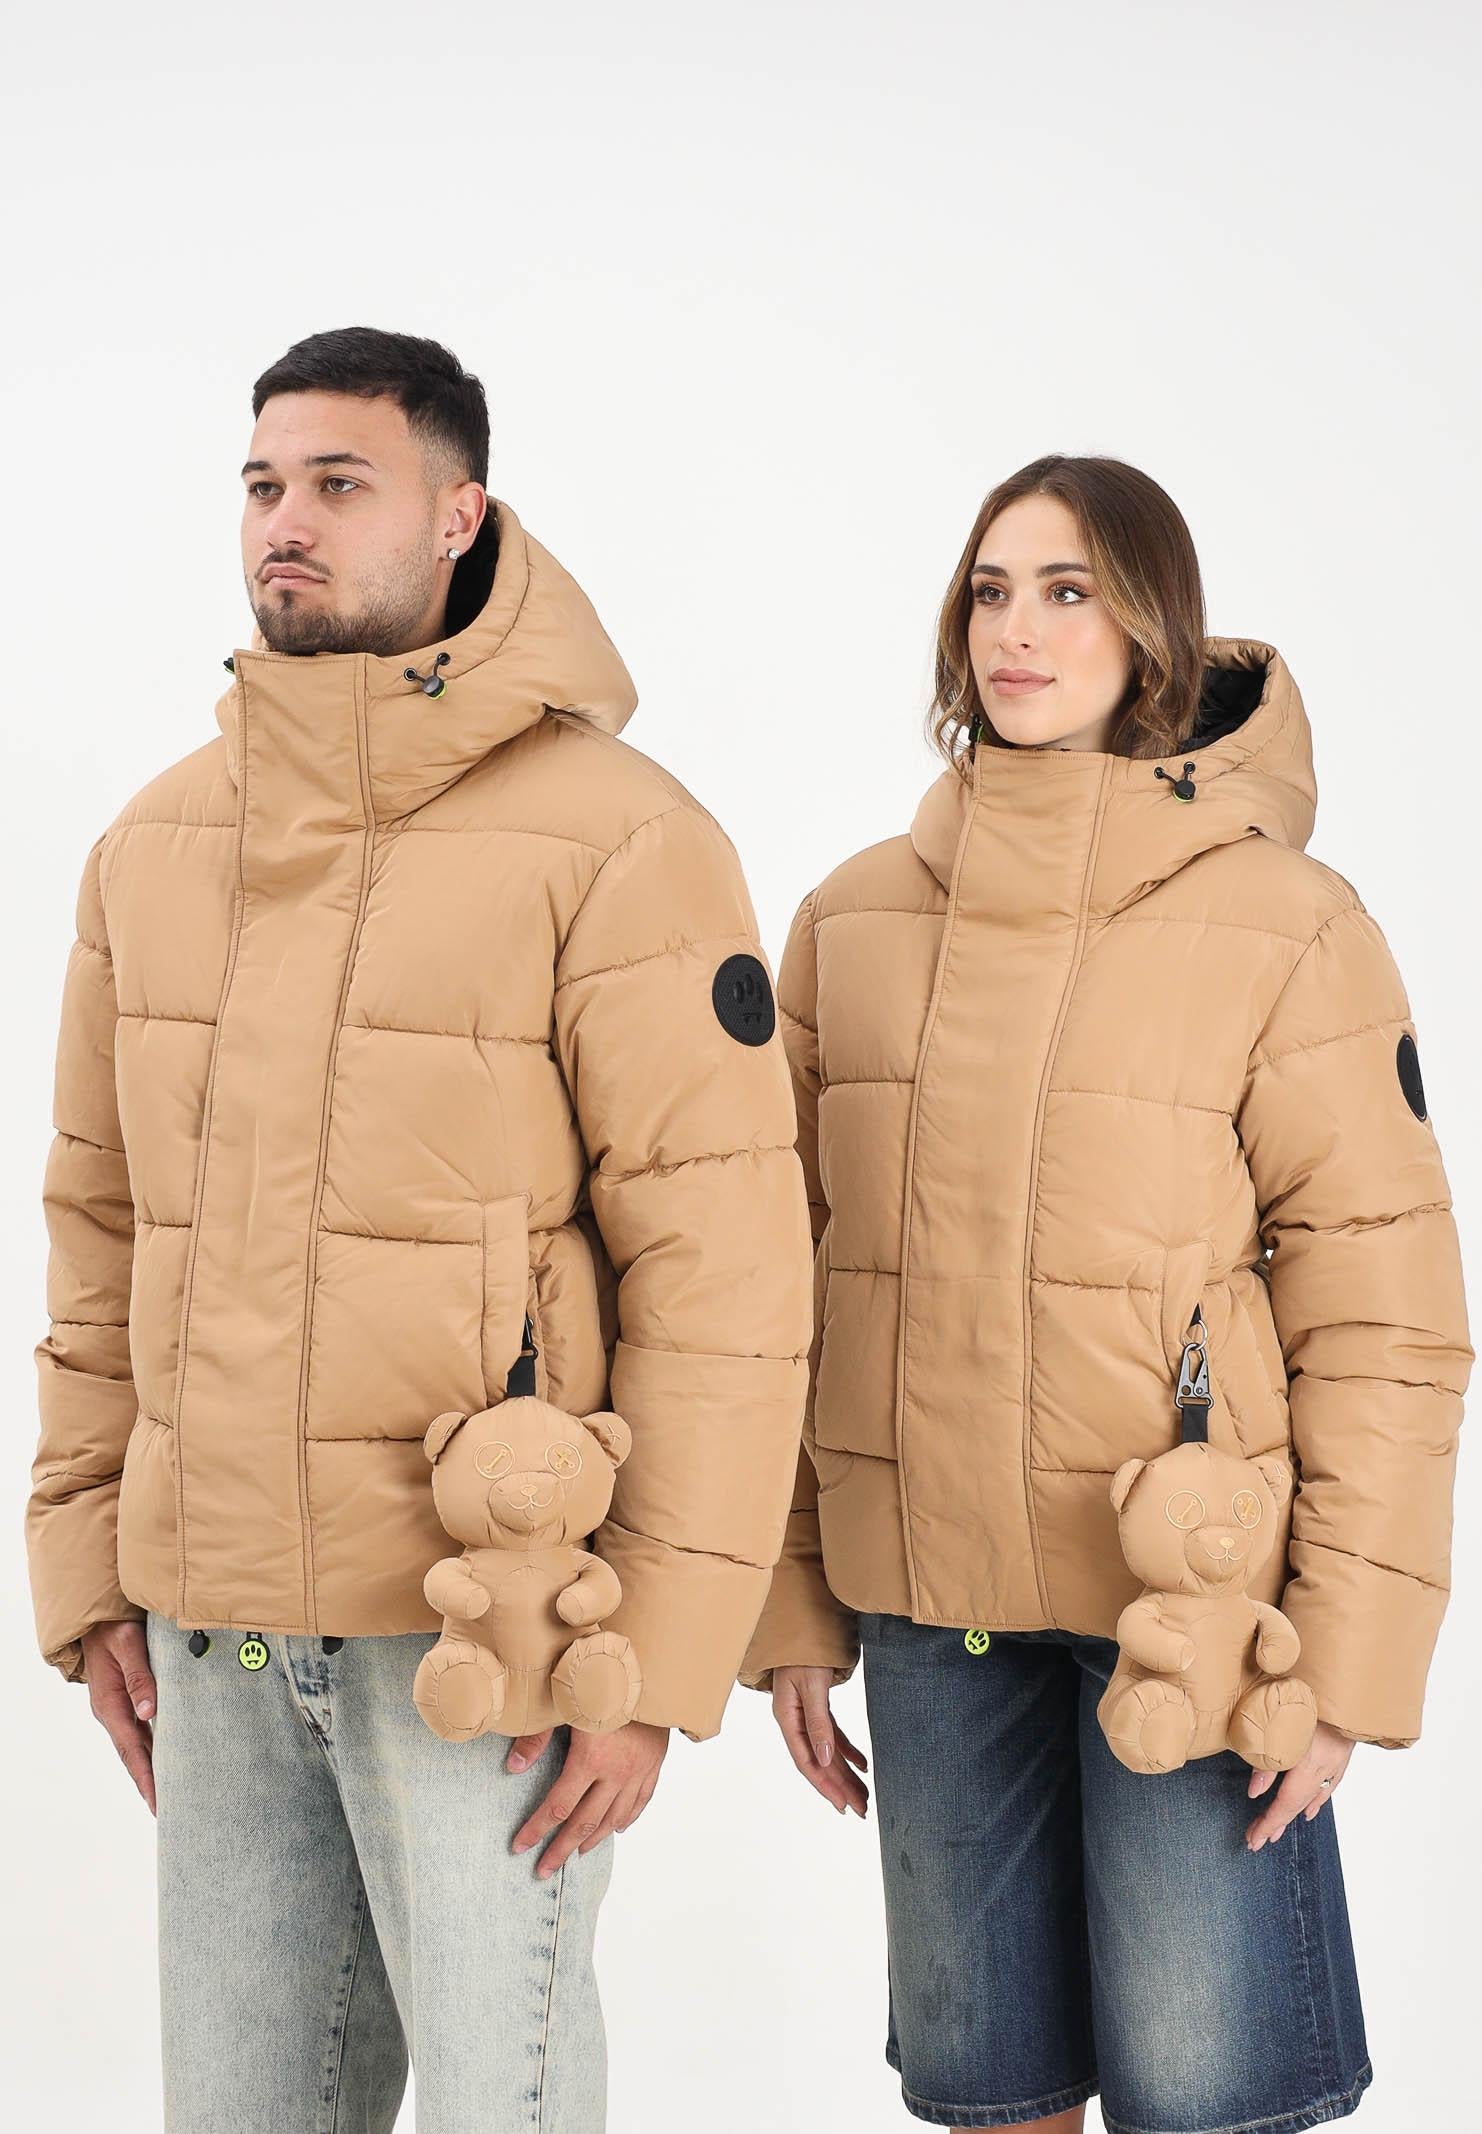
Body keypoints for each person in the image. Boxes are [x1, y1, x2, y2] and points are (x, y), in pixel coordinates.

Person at [25, 325, 812, 2133]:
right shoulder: (152, 846)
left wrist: (653, 1653)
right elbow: (100, 1230)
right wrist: (86, 1570)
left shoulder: (619, 839)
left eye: (338, 483)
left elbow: (725, 1273)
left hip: (489, 1627)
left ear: (461, 515)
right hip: (214, 1625)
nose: (284, 524)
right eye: (261, 486)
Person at [740, 455, 1471, 2134]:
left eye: (1066, 591)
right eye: (990, 590)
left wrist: (1346, 1660)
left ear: (1151, 629)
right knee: (985, 2092)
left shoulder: (1285, 926)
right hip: (929, 1608)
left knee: (1204, 2096)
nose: (1016, 628)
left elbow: (1384, 1318)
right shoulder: (849, 922)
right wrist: (787, 1604)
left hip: (1189, 1610)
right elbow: (779, 1286)